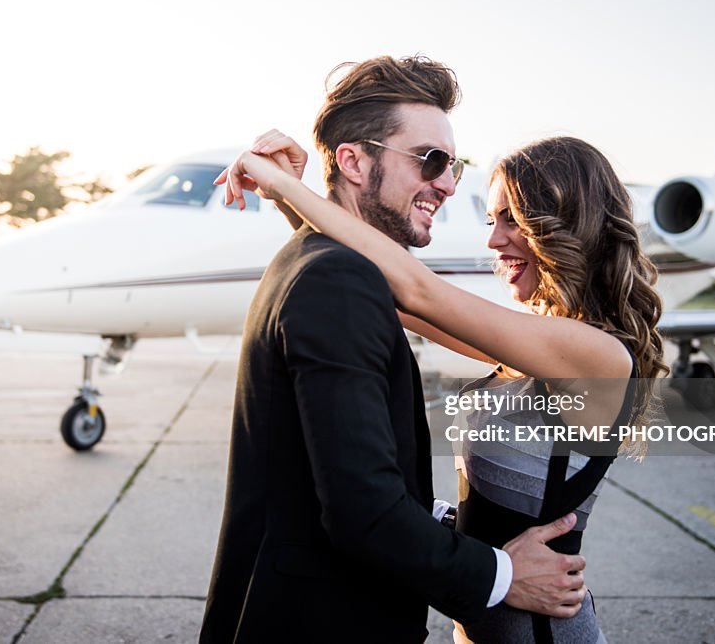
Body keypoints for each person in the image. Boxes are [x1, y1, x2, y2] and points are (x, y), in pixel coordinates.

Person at [221, 132, 666, 644]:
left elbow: (416, 288)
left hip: (542, 631)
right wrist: (293, 206)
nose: (494, 241)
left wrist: (281, 186)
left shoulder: (594, 354)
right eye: (491, 220)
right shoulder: (537, 342)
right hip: (489, 618)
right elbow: (392, 293)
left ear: (567, 225)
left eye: (512, 221)